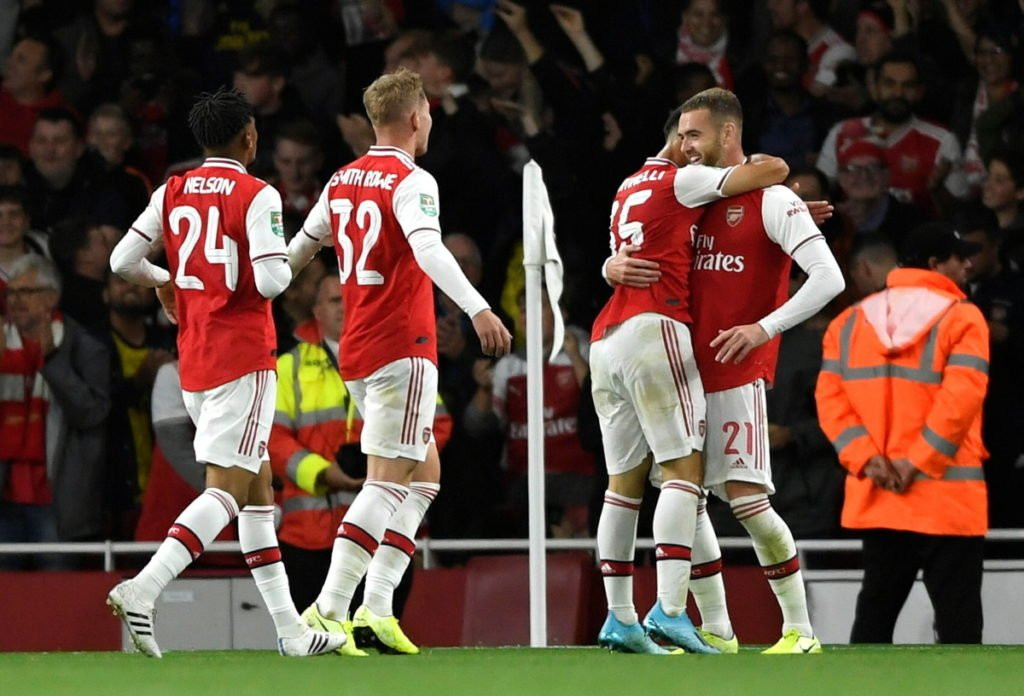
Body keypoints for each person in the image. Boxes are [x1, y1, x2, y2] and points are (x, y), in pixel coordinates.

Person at [105, 87, 342, 659]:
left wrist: (170, 279)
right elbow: (268, 282)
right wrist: (301, 253)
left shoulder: (173, 191)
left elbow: (120, 262)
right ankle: (146, 587)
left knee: (259, 498)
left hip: (195, 360)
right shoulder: (257, 194)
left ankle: (290, 632)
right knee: (231, 492)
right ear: (250, 138)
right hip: (242, 359)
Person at [608, 88, 844, 654]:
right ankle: (717, 626)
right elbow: (640, 237)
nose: (683, 146)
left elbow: (829, 280)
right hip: (680, 366)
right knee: (683, 496)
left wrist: (763, 329)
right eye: (681, 136)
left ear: (728, 135)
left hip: (736, 371)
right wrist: (609, 262)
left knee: (748, 501)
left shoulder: (772, 199)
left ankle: (801, 631)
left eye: (694, 135)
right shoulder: (689, 193)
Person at [286, 68, 511, 654]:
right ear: (417, 117)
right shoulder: (412, 179)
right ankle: (331, 608)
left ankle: (378, 606)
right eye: (429, 114)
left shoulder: (342, 179)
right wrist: (479, 308)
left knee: (425, 475)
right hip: (400, 349)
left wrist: (252, 291)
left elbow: (302, 250)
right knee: (387, 483)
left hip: (357, 350)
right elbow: (428, 247)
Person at [815, 223, 989, 644]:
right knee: (958, 624)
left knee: (874, 616)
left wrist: (867, 459)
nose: (966, 263)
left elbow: (831, 402)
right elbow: (960, 399)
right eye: (957, 256)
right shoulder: (963, 318)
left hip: (879, 493)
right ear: (934, 265)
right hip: (947, 496)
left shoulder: (849, 323)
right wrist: (919, 462)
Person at [270, 272, 454, 654]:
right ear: (316, 309)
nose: (344, 307)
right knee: (319, 659)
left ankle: (374, 608)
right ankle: (334, 610)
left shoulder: (388, 350)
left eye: (349, 298)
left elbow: (436, 420)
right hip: (309, 527)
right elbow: (273, 438)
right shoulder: (291, 365)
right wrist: (321, 473)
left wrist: (393, 454)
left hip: (383, 519)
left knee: (417, 481)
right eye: (334, 300)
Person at [0, 255, 110, 567]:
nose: (16, 301)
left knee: (55, 601)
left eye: (27, 292)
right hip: (5, 498)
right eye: (11, 293)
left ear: (52, 297)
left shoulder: (85, 348)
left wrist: (52, 360)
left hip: (57, 502)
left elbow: (91, 414)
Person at [816, 51, 967, 215]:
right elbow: (819, 191)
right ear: (875, 87)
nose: (898, 93)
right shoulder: (842, 132)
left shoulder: (942, 140)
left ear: (919, 91)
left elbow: (959, 208)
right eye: (889, 84)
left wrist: (936, 188)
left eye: (907, 86)